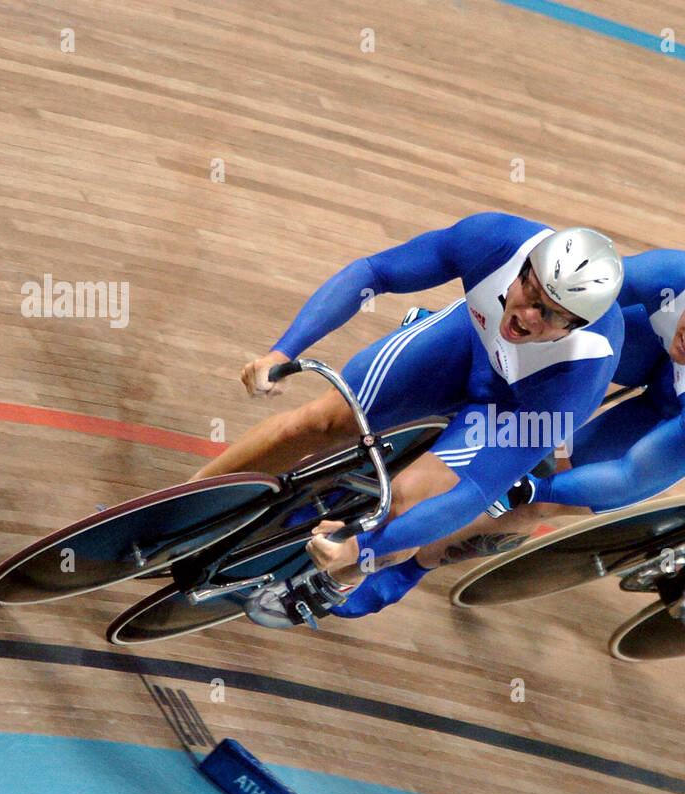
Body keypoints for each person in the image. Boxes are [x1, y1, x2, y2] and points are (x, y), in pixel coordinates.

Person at [190, 212, 626, 627]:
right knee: (317, 422)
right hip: (468, 342)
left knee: (407, 501)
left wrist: (361, 552)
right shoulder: (495, 241)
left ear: (576, 325)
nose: (529, 317)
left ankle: (338, 583)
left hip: (511, 408)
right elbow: (374, 274)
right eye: (531, 295)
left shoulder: (577, 379)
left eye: (550, 316)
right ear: (525, 269)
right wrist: (282, 352)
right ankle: (184, 503)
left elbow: (472, 494)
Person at [322, 249, 685, 618]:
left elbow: (631, 475)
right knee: (555, 359)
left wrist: (533, 485)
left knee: (545, 489)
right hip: (648, 343)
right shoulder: (669, 277)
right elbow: (557, 306)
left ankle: (414, 564)